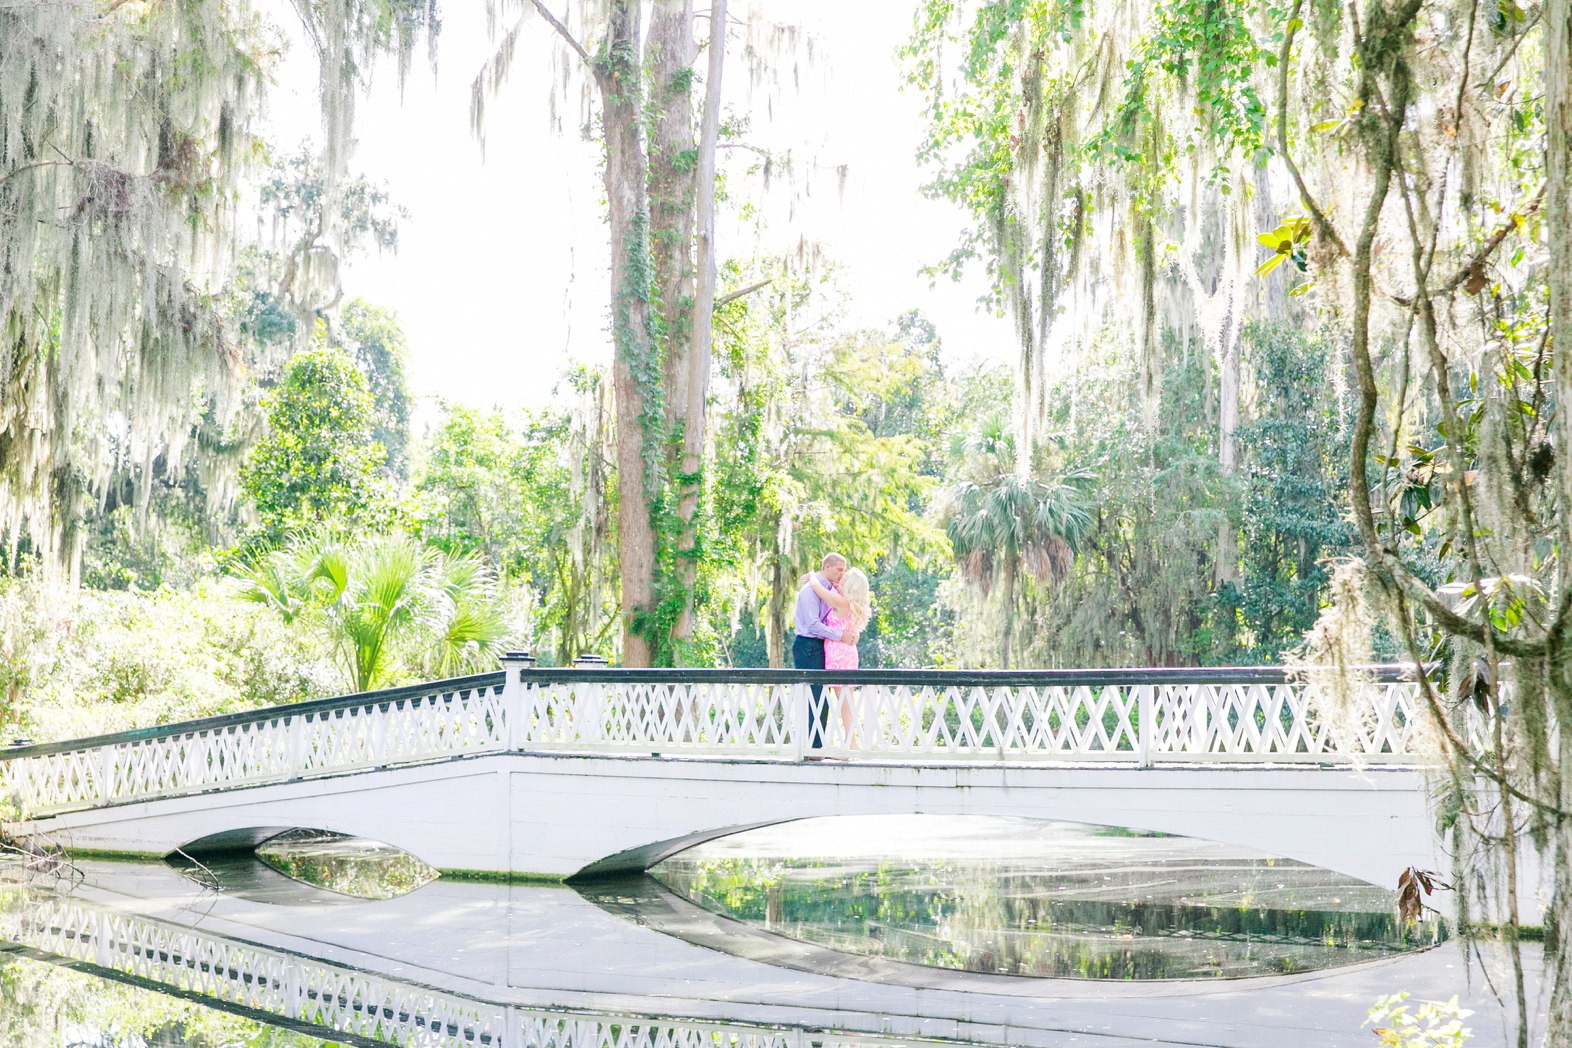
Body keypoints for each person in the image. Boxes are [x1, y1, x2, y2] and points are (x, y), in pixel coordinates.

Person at [792, 553, 859, 752]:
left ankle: (818, 745)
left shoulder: (830, 590)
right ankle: (812, 747)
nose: (842, 573)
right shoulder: (809, 592)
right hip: (808, 646)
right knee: (814, 696)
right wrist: (841, 636)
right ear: (827, 567)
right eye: (839, 569)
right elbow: (813, 625)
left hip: (823, 648)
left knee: (823, 698)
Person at [809, 568, 872, 745]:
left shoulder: (842, 602)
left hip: (839, 656)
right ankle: (851, 742)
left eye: (845, 577)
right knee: (846, 701)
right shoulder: (849, 602)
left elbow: (818, 589)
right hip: (846, 653)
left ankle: (851, 744)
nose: (841, 576)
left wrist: (814, 576)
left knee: (844, 703)